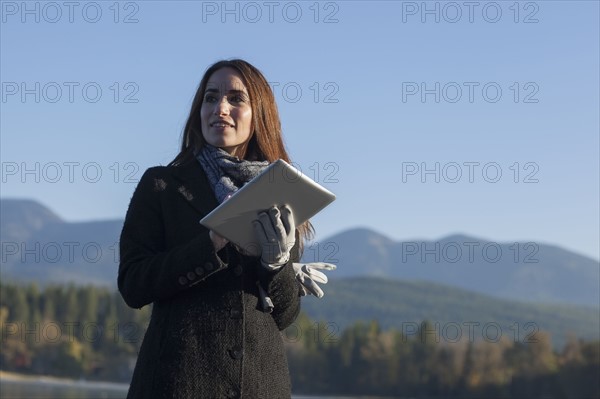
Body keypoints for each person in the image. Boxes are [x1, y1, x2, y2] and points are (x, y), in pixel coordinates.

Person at [117, 59, 334, 399]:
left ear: (258, 114)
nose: (220, 108)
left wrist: (277, 265)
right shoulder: (161, 185)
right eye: (210, 97)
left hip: (260, 385)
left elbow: (285, 315)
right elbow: (133, 284)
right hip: (177, 383)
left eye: (236, 99)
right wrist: (212, 242)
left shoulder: (281, 191)